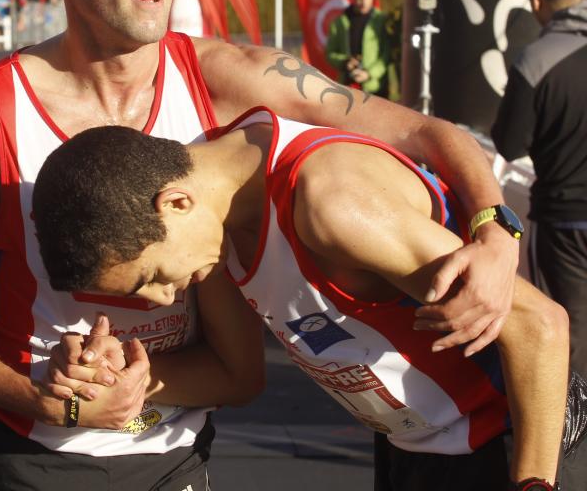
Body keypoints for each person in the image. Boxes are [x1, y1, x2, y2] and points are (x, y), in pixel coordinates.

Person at [0, 0, 519, 490]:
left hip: (178, 452)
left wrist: (494, 229)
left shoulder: (234, 80)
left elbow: (427, 132)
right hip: (31, 459)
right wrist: (45, 400)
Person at [31, 112, 584, 491]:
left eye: (150, 276)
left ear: (175, 201)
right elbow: (238, 377)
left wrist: (535, 483)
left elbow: (539, 326)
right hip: (418, 447)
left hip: (519, 443)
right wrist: (123, 379)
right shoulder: (222, 196)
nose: (161, 299)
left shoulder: (331, 205)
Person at [492, 0, 587, 381]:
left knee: (571, 332)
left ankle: (570, 441)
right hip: (565, 217)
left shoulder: (536, 60)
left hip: (565, 222)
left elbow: (509, 144)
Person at [326, 0, 390, 96]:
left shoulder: (381, 20)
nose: (364, 2)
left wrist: (369, 73)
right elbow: (330, 53)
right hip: (348, 86)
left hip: (375, 87)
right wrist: (345, 62)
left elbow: (386, 54)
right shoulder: (339, 22)